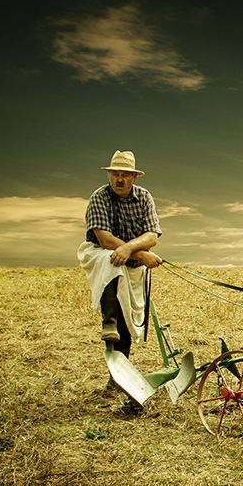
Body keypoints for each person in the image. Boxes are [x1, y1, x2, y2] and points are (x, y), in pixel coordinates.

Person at [76, 150, 162, 375]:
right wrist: (141, 254)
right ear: (109, 176)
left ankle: (119, 376)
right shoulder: (99, 197)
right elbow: (104, 240)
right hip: (100, 255)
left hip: (132, 265)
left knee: (127, 321)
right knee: (110, 260)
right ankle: (109, 320)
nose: (120, 179)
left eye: (125, 174)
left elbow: (152, 236)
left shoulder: (144, 197)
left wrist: (129, 249)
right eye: (115, 174)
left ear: (134, 178)